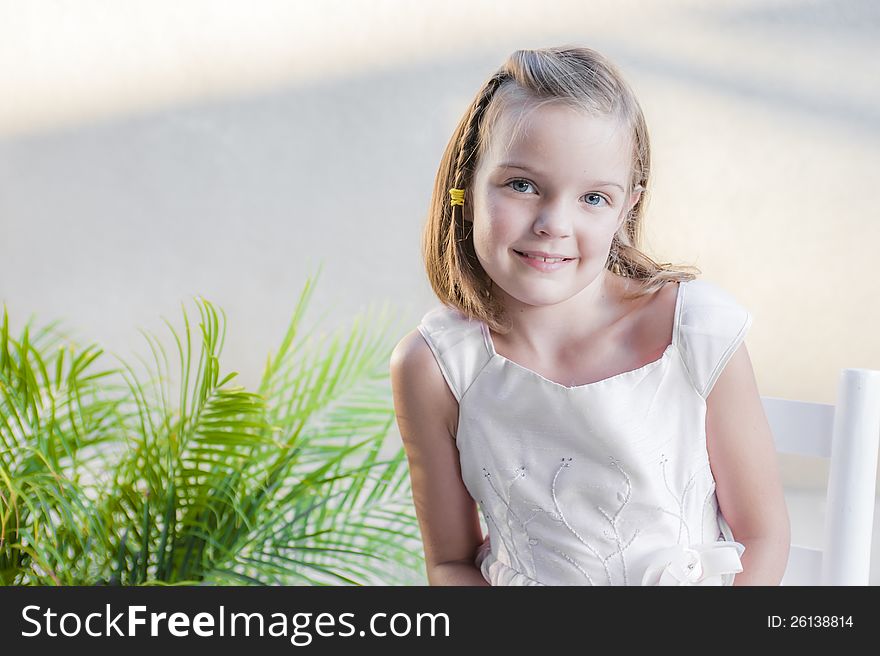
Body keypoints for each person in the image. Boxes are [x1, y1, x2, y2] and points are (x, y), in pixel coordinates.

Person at [390, 46, 790, 586]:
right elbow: (451, 563)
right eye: (522, 185)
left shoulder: (695, 332)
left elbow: (763, 536)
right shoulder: (435, 367)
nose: (554, 222)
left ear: (627, 207)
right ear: (467, 187)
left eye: (594, 198)